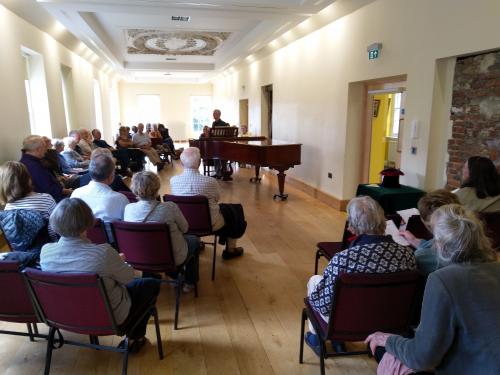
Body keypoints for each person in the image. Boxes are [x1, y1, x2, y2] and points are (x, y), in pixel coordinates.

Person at [365, 204, 500, 375]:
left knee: (383, 351)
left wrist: (389, 340)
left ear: (441, 245)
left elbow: (422, 357)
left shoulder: (443, 280)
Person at [40, 198, 161, 353]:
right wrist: (120, 262)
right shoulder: (103, 253)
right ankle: (135, 338)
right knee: (149, 284)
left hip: (65, 316)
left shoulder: (46, 252)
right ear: (88, 221)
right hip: (108, 317)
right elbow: (129, 277)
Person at [305, 196, 416, 356]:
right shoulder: (407, 254)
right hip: (391, 321)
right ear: (383, 220)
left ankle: (318, 338)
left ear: (352, 227)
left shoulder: (342, 259)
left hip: (347, 323)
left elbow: (323, 306)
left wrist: (314, 298)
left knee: (314, 281)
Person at [124, 171, 200, 292]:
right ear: (157, 187)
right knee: (193, 240)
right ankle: (190, 282)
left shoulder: (128, 209)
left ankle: (171, 275)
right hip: (170, 257)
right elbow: (185, 228)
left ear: (134, 188)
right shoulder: (169, 207)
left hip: (141, 258)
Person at [170, 147, 245, 260]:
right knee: (234, 210)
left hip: (183, 224)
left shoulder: (173, 181)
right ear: (200, 162)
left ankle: (197, 243)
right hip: (209, 224)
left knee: (191, 209)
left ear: (181, 163)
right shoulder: (210, 181)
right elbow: (217, 199)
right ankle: (230, 249)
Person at [399, 189, 460, 276]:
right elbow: (433, 244)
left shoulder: (420, 258)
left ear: (426, 223)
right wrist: (415, 240)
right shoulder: (476, 243)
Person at [71, 153, 129, 239]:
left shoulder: (76, 193)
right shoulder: (120, 198)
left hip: (82, 243)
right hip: (111, 246)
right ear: (111, 176)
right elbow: (126, 227)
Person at [0, 161, 57, 241]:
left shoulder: (7, 209)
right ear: (28, 179)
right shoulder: (46, 199)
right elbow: (55, 229)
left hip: (23, 252)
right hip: (48, 247)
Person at [20, 135, 71, 202]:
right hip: (53, 201)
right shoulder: (34, 166)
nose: (46, 150)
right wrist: (70, 192)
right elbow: (50, 190)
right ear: (38, 149)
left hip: (54, 195)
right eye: (44, 147)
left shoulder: (30, 161)